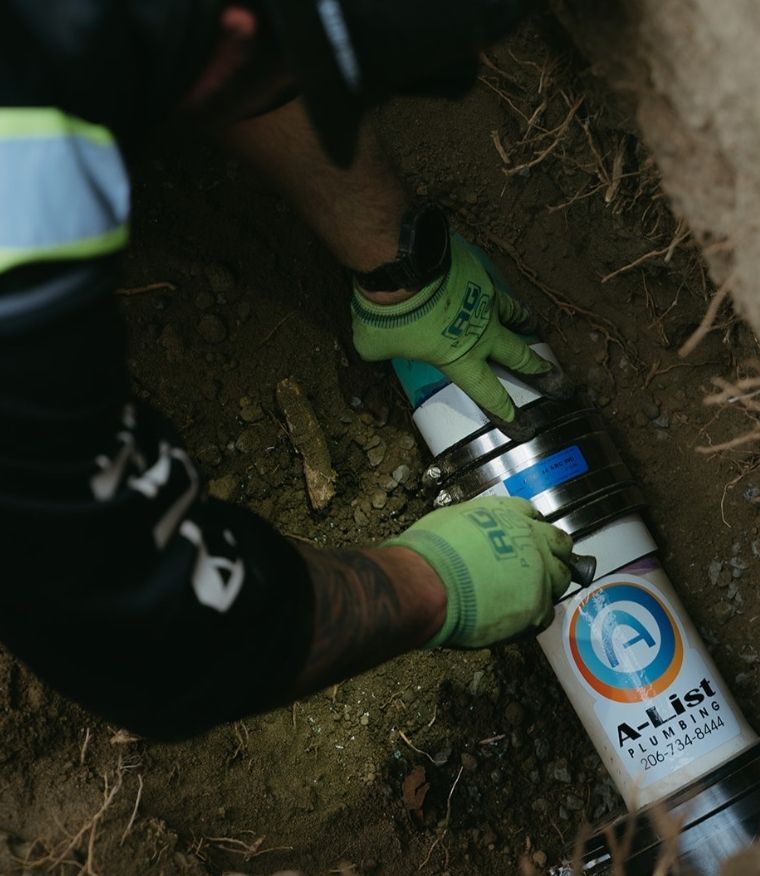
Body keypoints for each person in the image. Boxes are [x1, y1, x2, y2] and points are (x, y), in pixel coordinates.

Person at [0, 0, 576, 740]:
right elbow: (160, 638)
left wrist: (399, 264)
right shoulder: (23, 243)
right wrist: (433, 584)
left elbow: (225, 47)